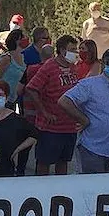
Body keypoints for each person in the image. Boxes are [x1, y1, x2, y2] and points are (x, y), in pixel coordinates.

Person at [59, 49, 109, 174]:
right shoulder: (90, 85)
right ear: (103, 64)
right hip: (92, 150)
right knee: (90, 189)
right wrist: (83, 119)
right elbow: (64, 101)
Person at [24, 36, 80, 176]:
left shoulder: (73, 67)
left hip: (69, 126)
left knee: (63, 162)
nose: (75, 52)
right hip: (50, 127)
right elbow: (31, 88)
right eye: (72, 50)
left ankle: (60, 192)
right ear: (62, 50)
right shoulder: (49, 66)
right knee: (44, 163)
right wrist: (43, 112)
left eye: (75, 49)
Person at [0, 80, 38, 177]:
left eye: (0, 95)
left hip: (6, 170)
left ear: (6, 98)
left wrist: (17, 150)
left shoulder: (16, 119)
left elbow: (34, 134)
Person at [0, 28, 28, 109]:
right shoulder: (6, 58)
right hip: (5, 100)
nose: (26, 39)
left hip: (19, 99)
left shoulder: (25, 57)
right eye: (23, 37)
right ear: (17, 41)